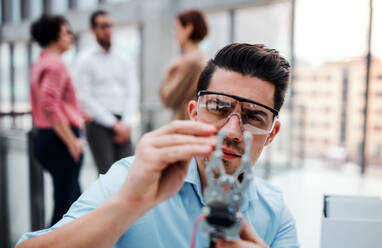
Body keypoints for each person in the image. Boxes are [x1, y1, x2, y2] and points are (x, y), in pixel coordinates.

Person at [17, 43, 299, 248]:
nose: (233, 131)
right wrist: (129, 203)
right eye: (219, 107)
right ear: (193, 112)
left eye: (254, 117)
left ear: (272, 133)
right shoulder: (130, 178)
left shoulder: (275, 215)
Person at [29, 14, 84, 226]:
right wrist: (72, 141)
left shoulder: (41, 62)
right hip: (59, 140)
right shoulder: (56, 64)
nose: (71, 37)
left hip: (46, 138)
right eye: (66, 32)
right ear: (54, 36)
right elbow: (49, 104)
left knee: (72, 200)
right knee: (66, 206)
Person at [72, 10, 137, 174]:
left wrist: (126, 123)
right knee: (107, 175)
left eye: (110, 26)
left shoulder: (123, 57)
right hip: (98, 125)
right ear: (93, 30)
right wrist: (114, 124)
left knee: (131, 172)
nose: (108, 31)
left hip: (123, 122)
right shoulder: (84, 59)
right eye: (103, 26)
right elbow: (84, 97)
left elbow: (132, 91)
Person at [159, 9, 208, 120]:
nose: (175, 34)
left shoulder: (190, 62)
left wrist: (170, 71)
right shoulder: (202, 58)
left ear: (188, 29)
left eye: (177, 28)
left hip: (186, 122)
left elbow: (167, 98)